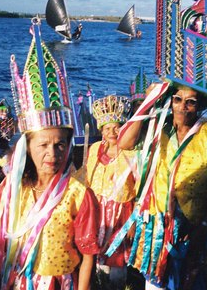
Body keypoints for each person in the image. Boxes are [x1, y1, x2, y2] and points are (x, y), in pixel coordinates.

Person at [0, 18, 100, 289]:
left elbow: (87, 256)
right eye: (43, 145)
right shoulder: (12, 190)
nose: (53, 153)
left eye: (60, 144)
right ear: (27, 146)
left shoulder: (79, 195)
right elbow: (0, 245)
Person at [117, 84, 207, 289]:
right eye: (177, 99)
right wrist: (148, 102)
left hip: (191, 224)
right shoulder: (157, 128)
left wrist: (203, 226)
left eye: (191, 102)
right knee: (155, 283)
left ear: (200, 106)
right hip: (156, 222)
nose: (182, 107)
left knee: (191, 278)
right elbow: (124, 143)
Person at [77, 94, 135, 289]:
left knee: (117, 253)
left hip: (120, 211)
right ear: (101, 130)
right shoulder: (94, 149)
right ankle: (99, 281)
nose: (112, 132)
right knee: (95, 249)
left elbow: (139, 187)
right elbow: (86, 175)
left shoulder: (131, 153)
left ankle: (116, 284)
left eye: (117, 127)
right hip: (96, 208)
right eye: (108, 128)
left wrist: (133, 222)